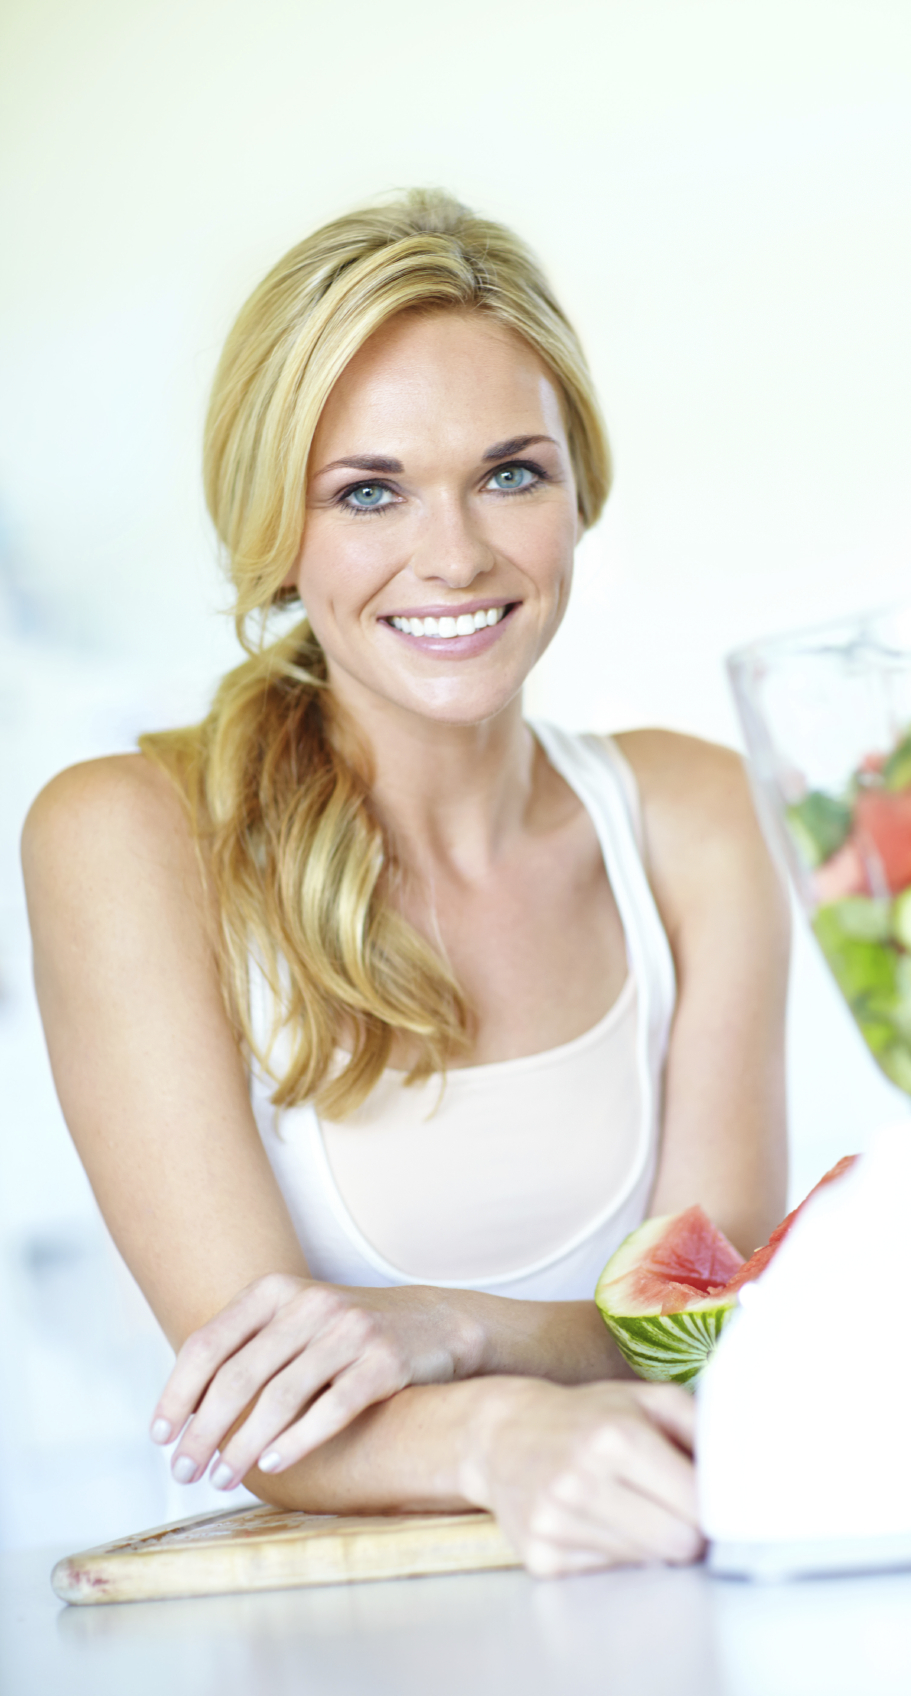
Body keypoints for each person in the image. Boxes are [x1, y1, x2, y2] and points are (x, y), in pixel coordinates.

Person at [21, 191, 789, 1577]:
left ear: (579, 489)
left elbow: (711, 1322)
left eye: (511, 475)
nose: (456, 557)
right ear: (277, 527)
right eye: (368, 491)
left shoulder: (698, 817)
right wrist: (500, 1433)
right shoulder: (126, 839)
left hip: (663, 1599)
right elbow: (264, 1408)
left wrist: (455, 1326)